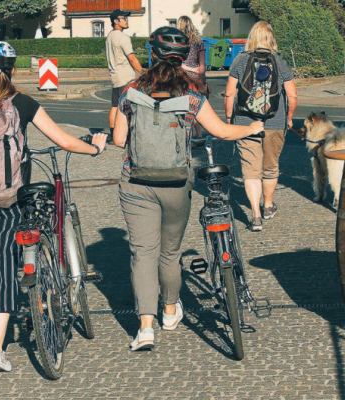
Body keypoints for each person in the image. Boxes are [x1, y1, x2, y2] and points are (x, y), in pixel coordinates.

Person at [0, 40, 107, 372]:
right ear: (12, 70)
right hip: (11, 201)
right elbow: (63, 140)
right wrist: (94, 150)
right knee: (4, 268)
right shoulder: (23, 103)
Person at [113, 27, 264, 351]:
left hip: (136, 183)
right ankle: (170, 312)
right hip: (176, 183)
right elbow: (221, 132)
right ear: (183, 58)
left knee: (143, 254)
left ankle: (145, 328)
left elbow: (117, 140)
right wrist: (251, 127)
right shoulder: (192, 96)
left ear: (152, 53)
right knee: (169, 253)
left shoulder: (130, 92)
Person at [224, 21, 298, 232]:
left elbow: (229, 94)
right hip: (275, 122)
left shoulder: (240, 60)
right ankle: (268, 206)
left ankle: (255, 216)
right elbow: (292, 95)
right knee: (270, 166)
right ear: (271, 38)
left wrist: (230, 119)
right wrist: (289, 118)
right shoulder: (280, 61)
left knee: (250, 171)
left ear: (252, 37)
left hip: (245, 123)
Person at [106, 9, 144, 144]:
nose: (126, 20)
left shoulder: (110, 36)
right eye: (124, 18)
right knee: (127, 106)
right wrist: (143, 73)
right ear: (116, 21)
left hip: (115, 76)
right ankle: (125, 134)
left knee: (114, 106)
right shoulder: (123, 38)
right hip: (126, 77)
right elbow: (132, 58)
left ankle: (112, 135)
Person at [177, 15, 206, 140]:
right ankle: (198, 135)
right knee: (195, 107)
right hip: (195, 79)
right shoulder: (199, 42)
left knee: (183, 109)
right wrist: (202, 80)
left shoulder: (177, 42)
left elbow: (176, 64)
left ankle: (187, 137)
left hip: (180, 78)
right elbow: (202, 66)